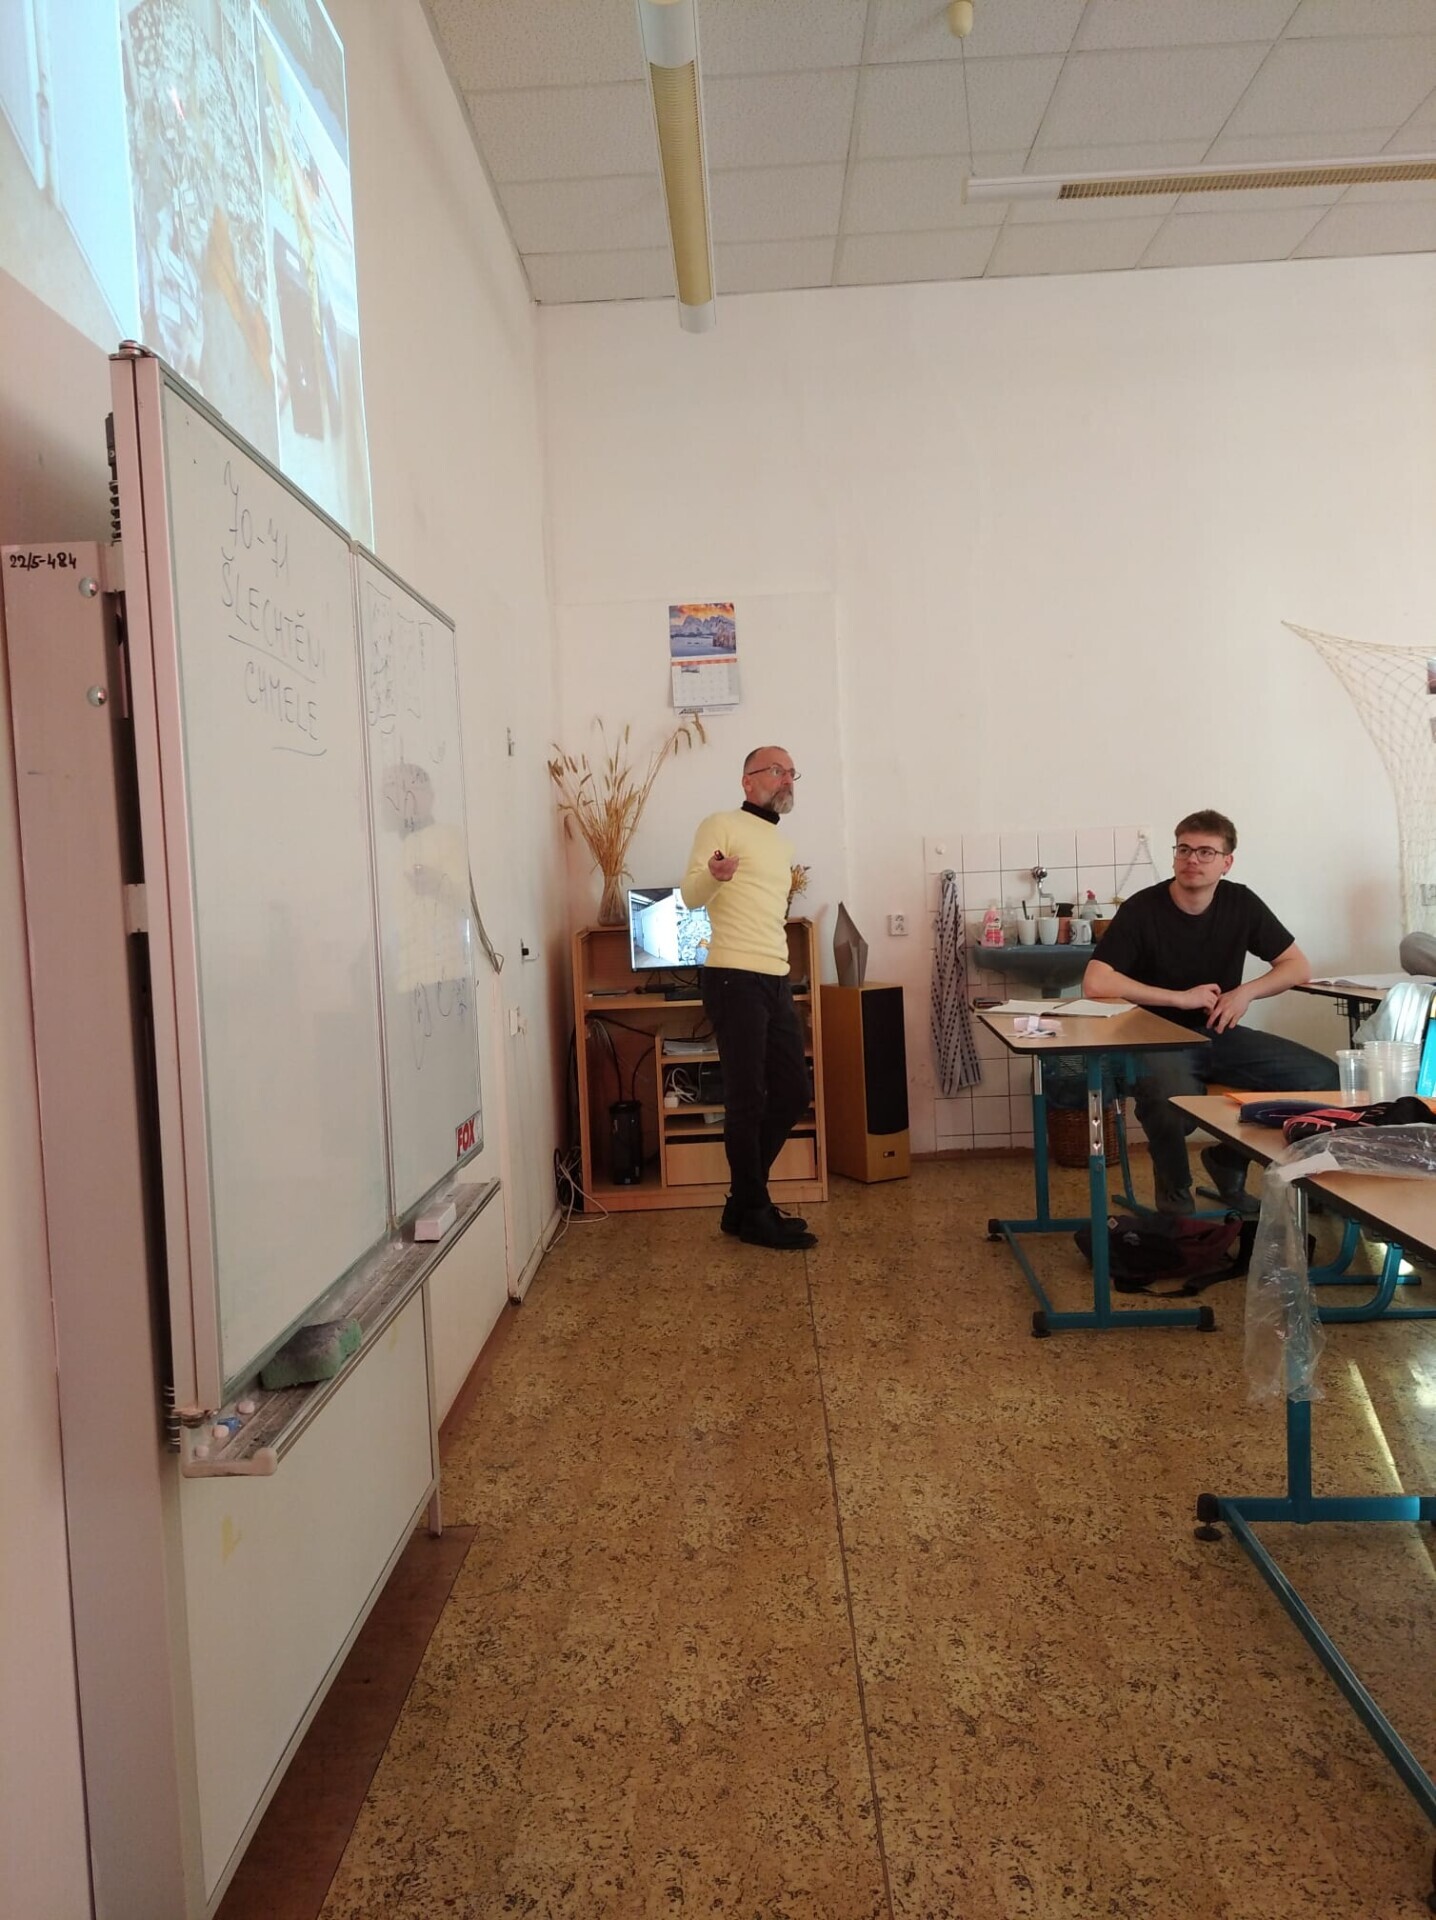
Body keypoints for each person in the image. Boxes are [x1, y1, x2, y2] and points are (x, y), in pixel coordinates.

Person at [1082, 810, 1335, 1215]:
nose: (1192, 860)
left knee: (1324, 1080)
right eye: (1184, 849)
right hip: (1157, 1038)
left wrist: (1245, 994)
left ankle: (1227, 1159)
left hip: (1219, 1034)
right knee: (1170, 1106)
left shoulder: (1241, 902)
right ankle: (1176, 1197)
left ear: (1226, 862)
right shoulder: (1143, 908)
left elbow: (1296, 966)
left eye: (1205, 852)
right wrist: (1178, 998)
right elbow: (1095, 982)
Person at [681, 747, 817, 1250]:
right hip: (733, 977)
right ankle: (754, 1211)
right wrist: (714, 877)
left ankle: (742, 1202)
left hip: (775, 978)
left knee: (792, 1093)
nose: (787, 780)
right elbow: (690, 895)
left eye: (792, 772)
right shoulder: (720, 824)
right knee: (747, 1099)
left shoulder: (780, 844)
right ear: (748, 781)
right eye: (777, 771)